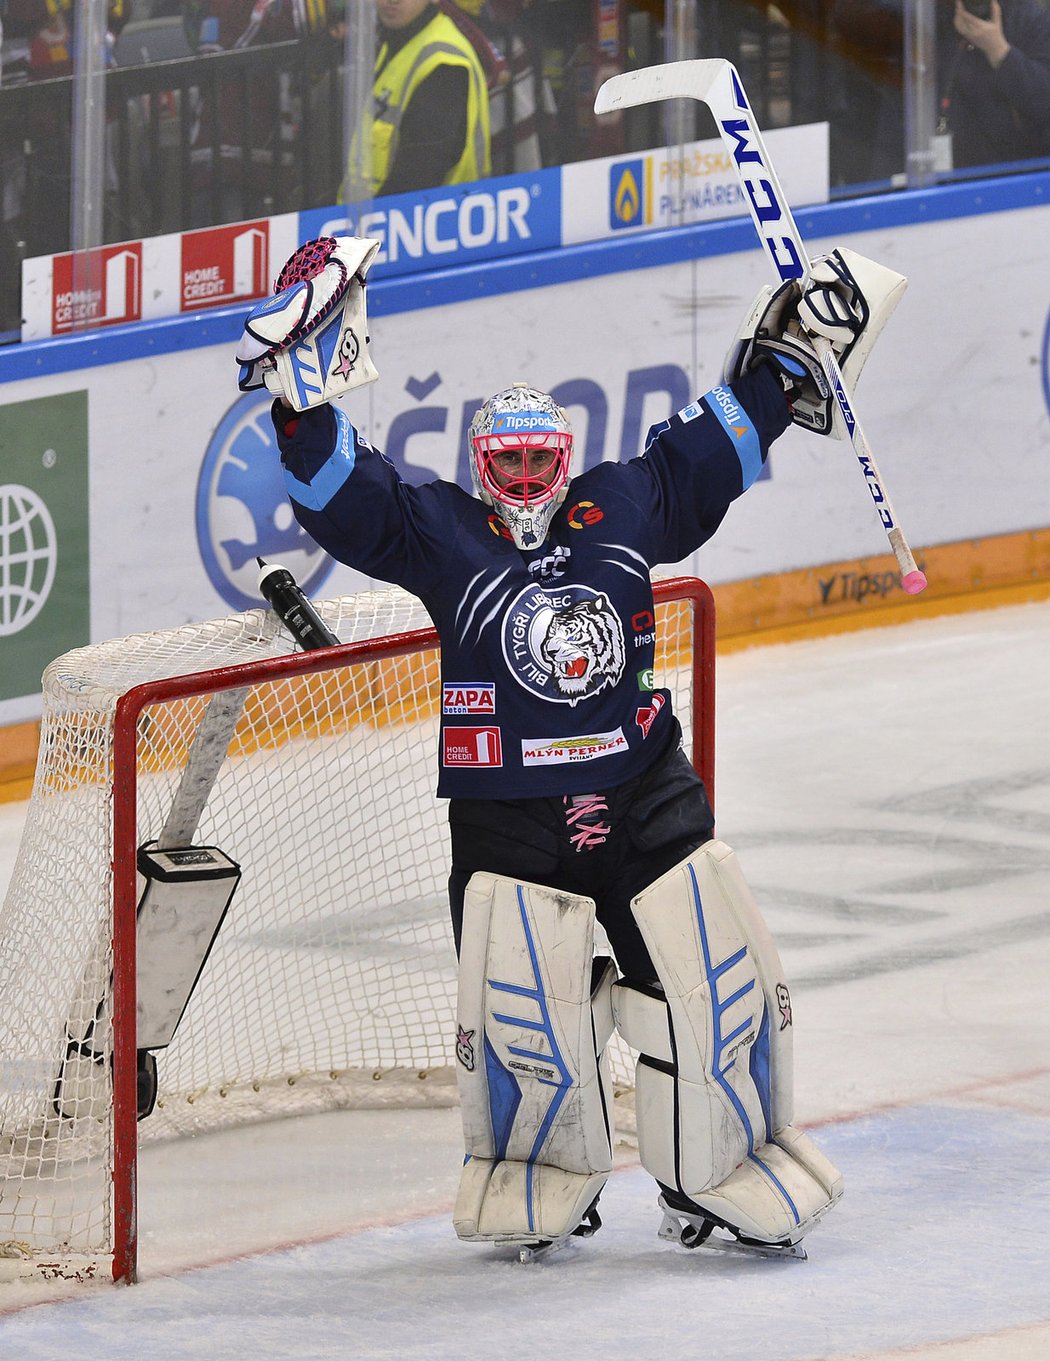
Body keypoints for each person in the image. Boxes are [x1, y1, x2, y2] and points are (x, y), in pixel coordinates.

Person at [236, 235, 906, 1257]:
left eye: (540, 460)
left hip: (642, 795)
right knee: (526, 1024)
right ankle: (547, 1174)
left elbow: (716, 448)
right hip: (509, 817)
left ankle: (712, 1169)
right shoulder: (440, 529)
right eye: (507, 462)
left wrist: (791, 354)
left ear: (566, 455)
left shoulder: (621, 502)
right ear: (480, 467)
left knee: (712, 987)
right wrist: (299, 404)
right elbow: (343, 496)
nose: (526, 479)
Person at [344, 0, 490, 198]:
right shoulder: (399, 41)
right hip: (380, 220)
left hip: (432, 222)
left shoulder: (444, 64)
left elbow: (417, 179)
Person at [941, 0, 1050, 168]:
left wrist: (999, 51)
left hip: (1016, 172)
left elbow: (1043, 100)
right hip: (945, 171)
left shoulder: (1032, 20)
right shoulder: (926, 18)